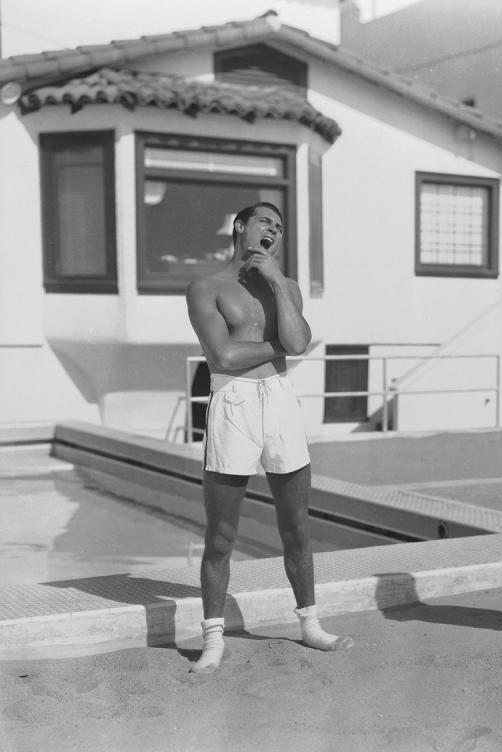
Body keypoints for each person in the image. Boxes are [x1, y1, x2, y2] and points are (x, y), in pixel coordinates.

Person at [186, 202, 353, 673]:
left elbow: (297, 343)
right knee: (221, 535)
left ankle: (310, 625)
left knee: (296, 526)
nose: (272, 232)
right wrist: (280, 347)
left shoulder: (288, 287)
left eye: (278, 228)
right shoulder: (206, 287)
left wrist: (278, 283)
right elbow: (222, 355)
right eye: (265, 223)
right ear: (240, 227)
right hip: (233, 403)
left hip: (280, 401)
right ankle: (214, 639)